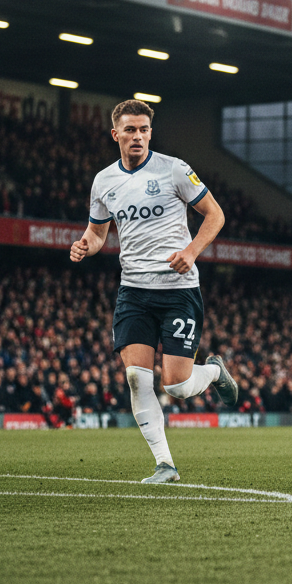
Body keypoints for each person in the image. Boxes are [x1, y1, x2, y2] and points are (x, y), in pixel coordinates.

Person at [70, 99, 238, 483]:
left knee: (177, 385)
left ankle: (213, 372)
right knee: (136, 378)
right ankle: (165, 464)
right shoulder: (103, 181)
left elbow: (215, 214)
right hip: (134, 291)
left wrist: (191, 251)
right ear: (116, 135)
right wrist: (85, 245)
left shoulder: (174, 169)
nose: (138, 136)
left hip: (178, 289)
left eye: (144, 129)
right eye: (130, 130)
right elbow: (97, 233)